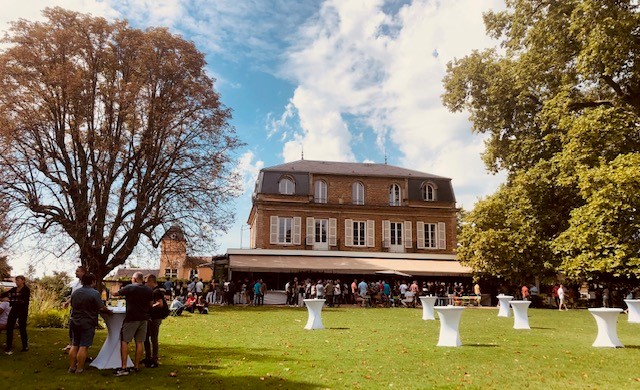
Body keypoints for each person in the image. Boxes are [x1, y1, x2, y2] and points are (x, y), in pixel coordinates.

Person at [68, 273, 112, 374]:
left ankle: (72, 367)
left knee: (75, 344)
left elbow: (72, 304)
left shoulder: (76, 292)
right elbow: (101, 307)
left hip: (74, 320)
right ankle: (79, 368)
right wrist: (109, 311)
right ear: (93, 282)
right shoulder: (94, 293)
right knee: (83, 345)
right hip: (87, 322)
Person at [112, 272, 153, 376]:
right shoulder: (148, 289)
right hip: (144, 318)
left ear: (134, 279)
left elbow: (115, 293)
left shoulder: (130, 287)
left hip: (132, 318)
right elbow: (151, 304)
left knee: (125, 341)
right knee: (140, 342)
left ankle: (124, 367)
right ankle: (136, 366)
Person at [2, 275, 31, 354]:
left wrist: (10, 300)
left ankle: (25, 346)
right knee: (9, 327)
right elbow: (5, 294)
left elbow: (24, 301)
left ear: (23, 281)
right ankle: (8, 346)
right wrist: (2, 297)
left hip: (22, 311)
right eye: (16, 280)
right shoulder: (14, 289)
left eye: (18, 280)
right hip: (14, 309)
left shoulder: (26, 289)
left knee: (22, 328)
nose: (16, 282)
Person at [143, 274, 167, 368]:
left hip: (155, 318)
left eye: (146, 282)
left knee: (153, 338)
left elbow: (160, 304)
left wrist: (150, 306)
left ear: (151, 281)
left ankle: (154, 358)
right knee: (146, 338)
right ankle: (148, 357)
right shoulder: (153, 291)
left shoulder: (156, 291)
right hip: (151, 317)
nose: (145, 284)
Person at [63, 266, 87, 352]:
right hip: (74, 309)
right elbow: (73, 295)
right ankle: (72, 344)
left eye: (77, 271)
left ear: (83, 272)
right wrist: (67, 302)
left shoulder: (85, 284)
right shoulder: (76, 283)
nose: (75, 273)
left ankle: (79, 348)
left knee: (79, 329)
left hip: (82, 310)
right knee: (72, 327)